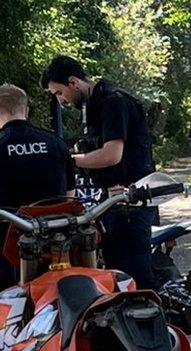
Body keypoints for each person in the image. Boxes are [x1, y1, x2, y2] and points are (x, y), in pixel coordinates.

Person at [41, 55, 158, 291]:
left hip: (130, 201)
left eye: (59, 93)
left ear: (73, 82)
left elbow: (111, 155)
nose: (61, 100)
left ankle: (154, 324)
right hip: (113, 199)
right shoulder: (93, 106)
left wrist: (69, 161)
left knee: (133, 281)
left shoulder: (113, 102)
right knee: (114, 273)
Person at [0, 83, 75, 351]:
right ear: (26, 109)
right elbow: (72, 199)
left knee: (13, 315)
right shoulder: (55, 144)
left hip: (8, 250)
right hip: (57, 247)